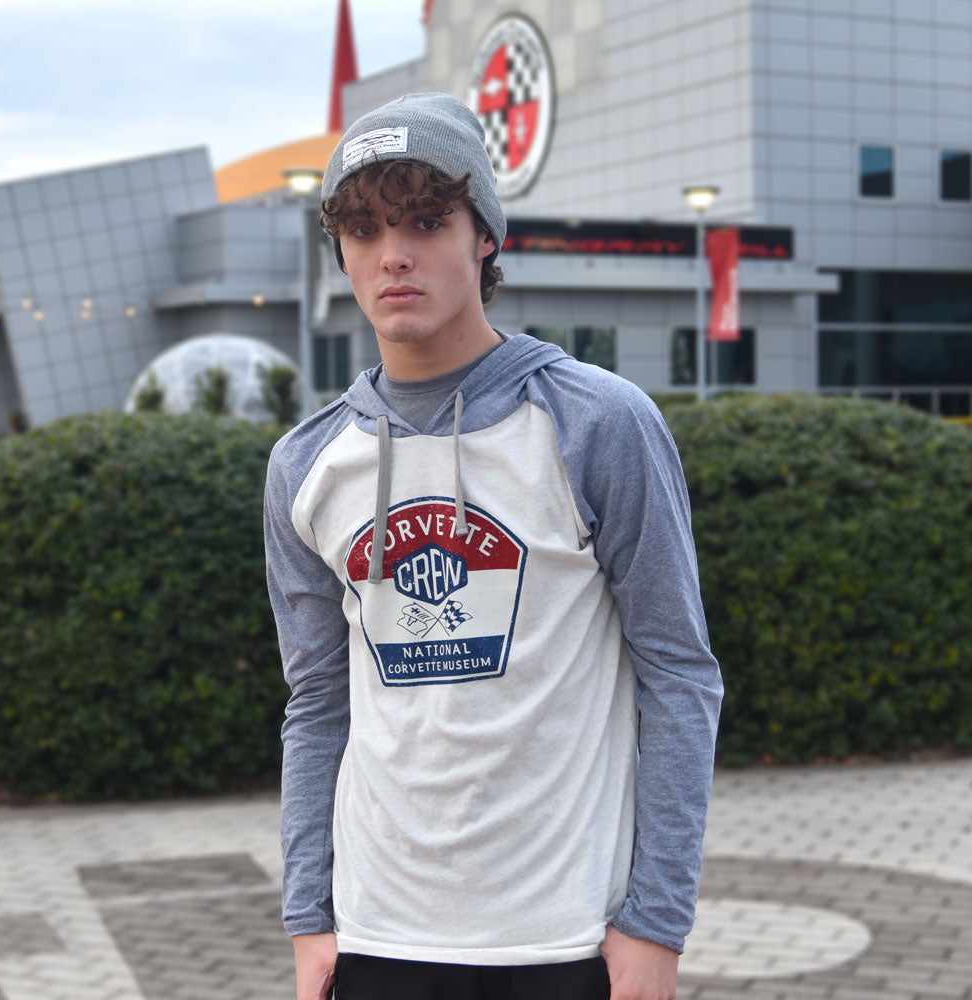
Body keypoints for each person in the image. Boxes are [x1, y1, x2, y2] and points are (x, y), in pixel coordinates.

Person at [264, 92, 723, 1000]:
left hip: (566, 937)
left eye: (426, 220)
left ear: (485, 237)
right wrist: (309, 917)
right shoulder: (307, 464)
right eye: (362, 229)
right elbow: (317, 702)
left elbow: (680, 673)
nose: (393, 253)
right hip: (376, 934)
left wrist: (656, 924)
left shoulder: (597, 424)